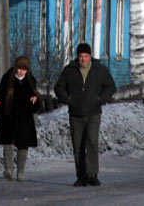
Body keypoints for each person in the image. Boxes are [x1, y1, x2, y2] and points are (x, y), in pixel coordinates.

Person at [54, 42, 116, 187]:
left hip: (93, 112)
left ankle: (92, 174)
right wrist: (67, 99)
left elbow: (110, 86)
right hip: (75, 113)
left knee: (92, 142)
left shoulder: (99, 70)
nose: (83, 59)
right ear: (78, 57)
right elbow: (59, 87)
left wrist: (100, 99)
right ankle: (81, 176)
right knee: (78, 145)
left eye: (86, 56)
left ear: (90, 57)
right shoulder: (70, 70)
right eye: (81, 56)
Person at [0, 55, 42, 182]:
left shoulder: (30, 81)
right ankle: (8, 170)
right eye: (19, 68)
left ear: (27, 70)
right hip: (9, 116)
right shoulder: (8, 79)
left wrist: (35, 100)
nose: (21, 71)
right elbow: (0, 92)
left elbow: (36, 99)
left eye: (24, 69)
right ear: (16, 68)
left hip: (25, 119)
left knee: (23, 145)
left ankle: (20, 172)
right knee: (8, 142)